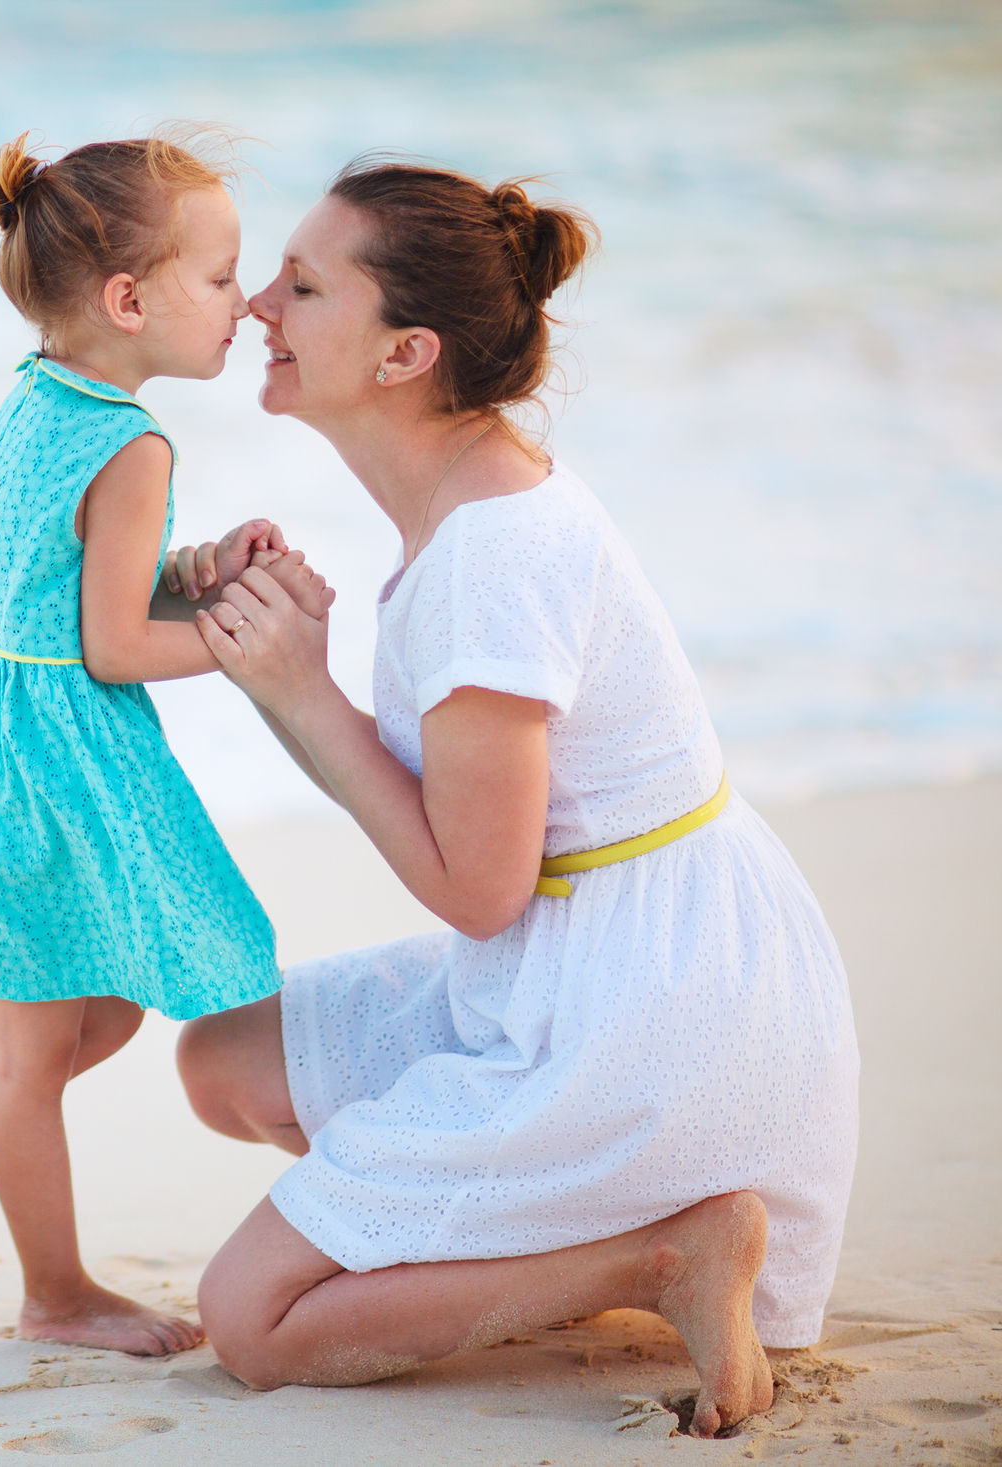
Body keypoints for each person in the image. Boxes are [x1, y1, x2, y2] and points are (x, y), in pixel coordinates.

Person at [163, 158, 858, 1435]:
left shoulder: (491, 550)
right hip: (596, 948)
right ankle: (508, 1244)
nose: (258, 302)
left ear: (404, 353)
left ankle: (652, 1257)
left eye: (303, 285)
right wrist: (284, 665)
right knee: (225, 1065)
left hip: (643, 1013)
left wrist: (303, 698)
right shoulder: (464, 495)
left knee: (253, 1320)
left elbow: (480, 891)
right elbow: (485, 817)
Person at [0, 131, 332, 1357]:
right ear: (130, 299)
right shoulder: (135, 441)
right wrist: (237, 634)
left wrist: (196, 569)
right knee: (34, 1049)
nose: (244, 302)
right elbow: (112, 648)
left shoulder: (41, 393)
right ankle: (50, 1293)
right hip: (53, 769)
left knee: (94, 1016)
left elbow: (59, 591)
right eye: (219, 279)